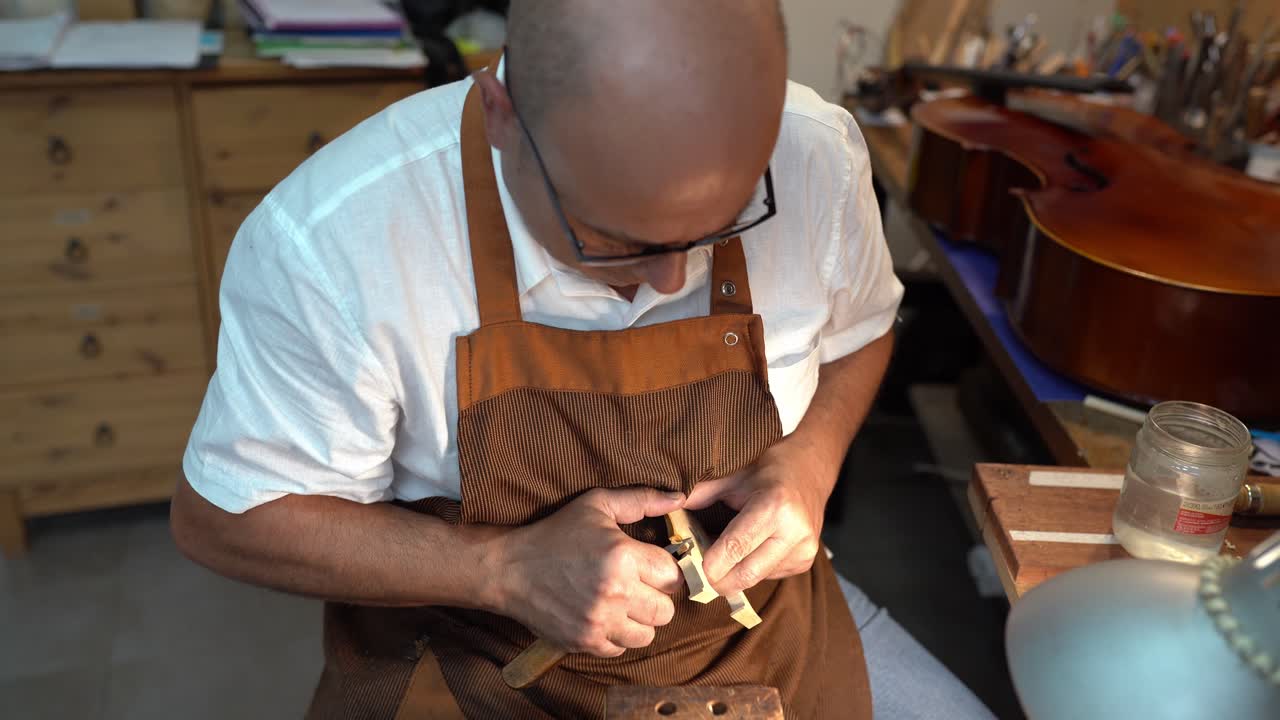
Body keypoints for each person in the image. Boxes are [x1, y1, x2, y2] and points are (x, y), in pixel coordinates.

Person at [171, 1, 995, 718]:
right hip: (476, 653)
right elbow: (225, 520)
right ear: (500, 112)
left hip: (758, 631)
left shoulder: (817, 155)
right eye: (611, 240)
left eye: (722, 223)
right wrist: (500, 569)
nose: (671, 280)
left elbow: (862, 333)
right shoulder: (338, 242)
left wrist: (806, 469)